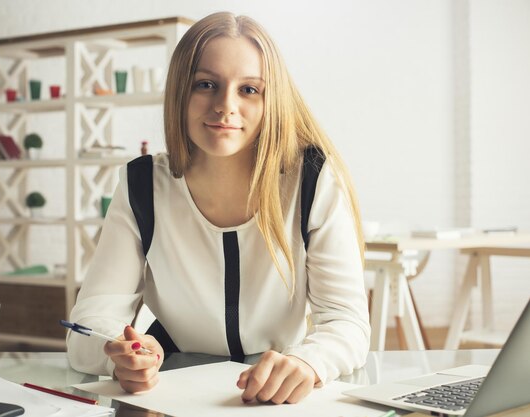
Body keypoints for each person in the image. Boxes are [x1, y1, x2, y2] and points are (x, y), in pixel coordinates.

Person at [67, 11, 370, 405]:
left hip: (278, 394)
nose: (225, 106)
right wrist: (118, 354)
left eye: (249, 90)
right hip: (172, 393)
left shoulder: (312, 178)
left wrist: (308, 362)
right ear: (180, 90)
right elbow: (86, 327)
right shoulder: (142, 184)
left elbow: (346, 323)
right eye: (206, 84)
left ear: (270, 98)